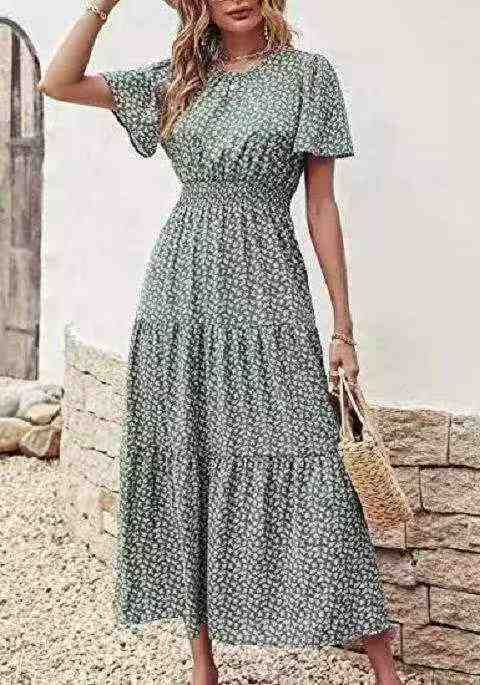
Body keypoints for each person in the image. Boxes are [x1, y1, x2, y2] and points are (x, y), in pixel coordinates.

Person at [38, 0, 402, 683]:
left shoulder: (306, 76)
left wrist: (342, 326)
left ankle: (385, 666)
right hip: (181, 295)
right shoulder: (177, 79)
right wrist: (102, 5)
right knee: (191, 461)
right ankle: (202, 664)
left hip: (269, 292)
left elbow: (321, 205)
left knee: (315, 465)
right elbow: (57, 82)